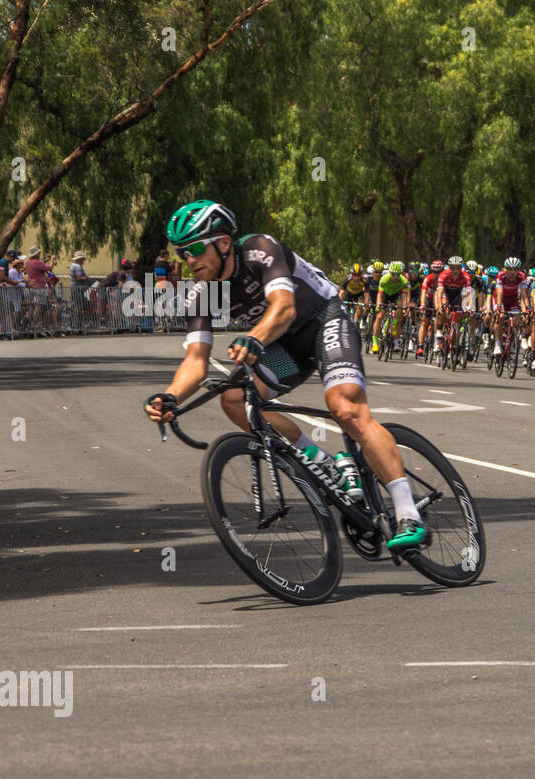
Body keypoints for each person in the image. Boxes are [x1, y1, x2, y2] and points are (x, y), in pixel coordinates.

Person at [143, 199, 428, 550]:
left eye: (196, 248)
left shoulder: (258, 250)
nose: (189, 259)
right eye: (181, 252)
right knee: (234, 399)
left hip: (324, 321)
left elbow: (284, 307)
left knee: (346, 409)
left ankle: (407, 512)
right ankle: (324, 462)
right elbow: (196, 360)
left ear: (223, 242)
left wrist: (254, 337)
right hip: (286, 348)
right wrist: (171, 396)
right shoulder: (202, 295)